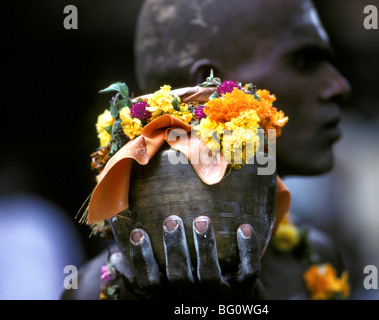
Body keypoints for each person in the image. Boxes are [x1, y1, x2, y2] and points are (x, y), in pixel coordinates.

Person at [62, 0, 351, 300]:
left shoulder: (316, 258)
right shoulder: (97, 294)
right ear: (206, 91)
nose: (339, 86)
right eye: (304, 61)